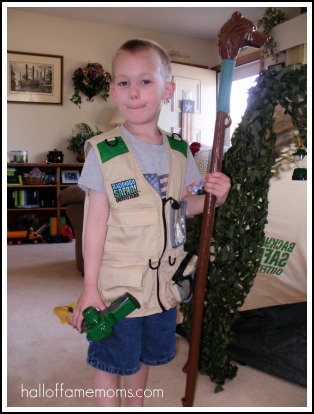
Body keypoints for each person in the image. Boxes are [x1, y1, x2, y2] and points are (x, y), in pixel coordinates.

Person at [71, 38, 231, 407]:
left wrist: (214, 198)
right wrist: (90, 287)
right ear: (112, 90)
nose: (133, 92)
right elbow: (94, 223)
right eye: (124, 83)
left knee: (143, 357)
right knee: (110, 361)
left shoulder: (179, 152)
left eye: (145, 81)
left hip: (162, 289)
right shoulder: (103, 152)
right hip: (118, 291)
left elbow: (185, 206)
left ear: (167, 89)